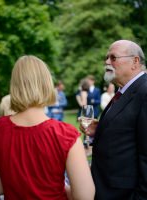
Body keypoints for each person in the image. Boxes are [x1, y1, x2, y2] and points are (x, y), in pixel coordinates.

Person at [0, 55, 95, 200]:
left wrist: (15, 184)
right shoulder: (65, 134)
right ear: (47, 84)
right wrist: (56, 187)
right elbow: (85, 196)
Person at [80, 40, 147, 200]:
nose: (107, 62)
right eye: (107, 58)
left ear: (135, 62)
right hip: (107, 188)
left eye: (113, 57)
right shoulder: (123, 91)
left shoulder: (144, 92)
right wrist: (100, 129)